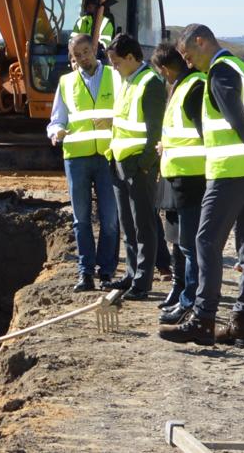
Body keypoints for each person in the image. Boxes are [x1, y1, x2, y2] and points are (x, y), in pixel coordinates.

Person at [159, 24, 244, 348]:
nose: (187, 64)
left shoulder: (219, 73)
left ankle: (203, 319)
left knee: (206, 242)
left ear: (201, 42)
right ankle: (242, 323)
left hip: (232, 172)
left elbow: (239, 121)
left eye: (188, 56)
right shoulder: (243, 69)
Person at [48, 33, 121, 293]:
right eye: (76, 55)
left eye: (86, 52)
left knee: (110, 219)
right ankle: (85, 272)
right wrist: (56, 132)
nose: (81, 59)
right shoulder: (66, 82)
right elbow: (57, 119)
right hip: (76, 158)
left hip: (107, 157)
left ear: (96, 50)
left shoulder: (115, 77)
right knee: (81, 220)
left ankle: (107, 272)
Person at [104, 34, 165, 300]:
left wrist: (144, 164)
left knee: (143, 225)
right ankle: (131, 273)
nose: (114, 67)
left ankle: (142, 281)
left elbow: (154, 131)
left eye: (117, 62)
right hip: (120, 162)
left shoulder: (150, 82)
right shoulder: (128, 81)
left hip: (138, 165)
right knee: (128, 224)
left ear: (131, 57)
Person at [151, 43, 206, 326]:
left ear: (165, 68)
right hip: (175, 175)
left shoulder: (195, 87)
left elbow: (205, 134)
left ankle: (191, 301)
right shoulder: (180, 86)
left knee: (190, 244)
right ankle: (183, 293)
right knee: (178, 240)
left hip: (191, 177)